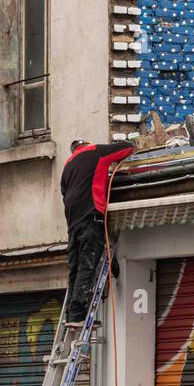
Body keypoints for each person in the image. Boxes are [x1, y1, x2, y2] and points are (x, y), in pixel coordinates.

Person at [59, 139, 134, 326]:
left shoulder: (67, 165)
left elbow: (64, 191)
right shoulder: (96, 152)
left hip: (73, 223)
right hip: (91, 218)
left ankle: (71, 313)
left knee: (75, 268)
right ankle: (78, 311)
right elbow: (127, 148)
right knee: (88, 264)